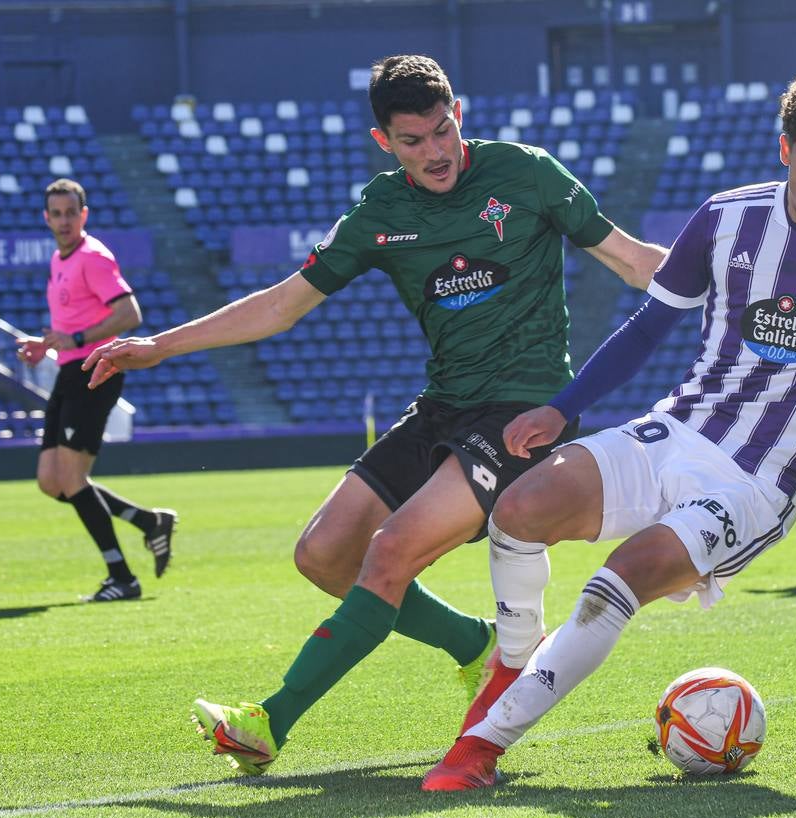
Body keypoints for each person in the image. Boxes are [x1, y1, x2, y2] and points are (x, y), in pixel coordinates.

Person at [420, 68, 796, 792]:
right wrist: (564, 406)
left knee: (620, 578)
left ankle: (477, 750)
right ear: (785, 150)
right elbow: (649, 326)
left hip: (760, 480)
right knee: (520, 509)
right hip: (678, 428)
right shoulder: (725, 218)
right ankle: (513, 662)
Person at [84, 55, 665, 776]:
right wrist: (159, 346)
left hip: (524, 410)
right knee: (323, 554)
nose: (434, 152)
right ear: (382, 140)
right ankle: (475, 646)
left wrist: (735, 281)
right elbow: (280, 305)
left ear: (459, 115)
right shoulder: (380, 212)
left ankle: (269, 722)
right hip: (442, 405)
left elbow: (635, 261)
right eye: (412, 141)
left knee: (390, 550)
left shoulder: (527, 174)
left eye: (441, 131)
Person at [15, 178, 177, 602]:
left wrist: (81, 337)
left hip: (95, 372)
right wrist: (44, 343)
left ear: (83, 215)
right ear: (46, 218)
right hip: (70, 372)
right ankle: (147, 522)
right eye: (57, 214)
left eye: (72, 213)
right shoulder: (59, 259)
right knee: (52, 482)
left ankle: (122, 577)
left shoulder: (93, 257)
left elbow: (129, 314)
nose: (64, 220)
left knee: (72, 478)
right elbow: (70, 327)